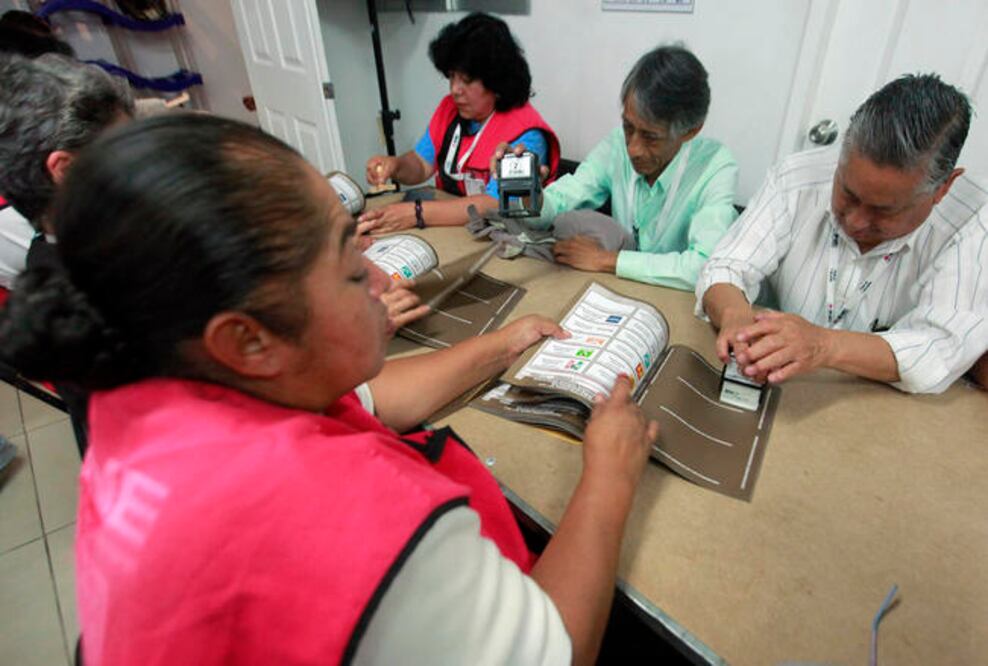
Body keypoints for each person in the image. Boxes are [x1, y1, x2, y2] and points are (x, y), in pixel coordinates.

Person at [0, 114, 659, 665]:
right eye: (349, 267)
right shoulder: (355, 526)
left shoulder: (153, 389)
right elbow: (559, 648)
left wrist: (500, 344)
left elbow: (372, 400)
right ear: (248, 339)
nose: (379, 278)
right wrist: (610, 474)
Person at [696, 74, 988, 394]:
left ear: (943, 188)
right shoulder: (796, 178)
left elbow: (939, 348)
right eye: (847, 193)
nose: (856, 221)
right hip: (785, 395)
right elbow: (726, 267)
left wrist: (826, 346)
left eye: (883, 210)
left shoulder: (974, 226)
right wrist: (735, 316)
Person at [498, 44, 738, 291]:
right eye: (628, 127)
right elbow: (565, 197)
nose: (633, 148)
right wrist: (530, 195)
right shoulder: (615, 146)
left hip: (675, 303)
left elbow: (705, 267)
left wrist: (607, 260)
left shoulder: (715, 167)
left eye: (651, 137)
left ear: (690, 131)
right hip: (618, 293)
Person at [358, 12, 560, 234]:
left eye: (467, 80)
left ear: (497, 81)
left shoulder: (527, 133)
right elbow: (421, 163)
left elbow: (494, 205)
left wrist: (416, 213)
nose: (455, 90)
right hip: (452, 227)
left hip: (501, 235)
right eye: (452, 77)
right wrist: (395, 166)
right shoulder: (449, 110)